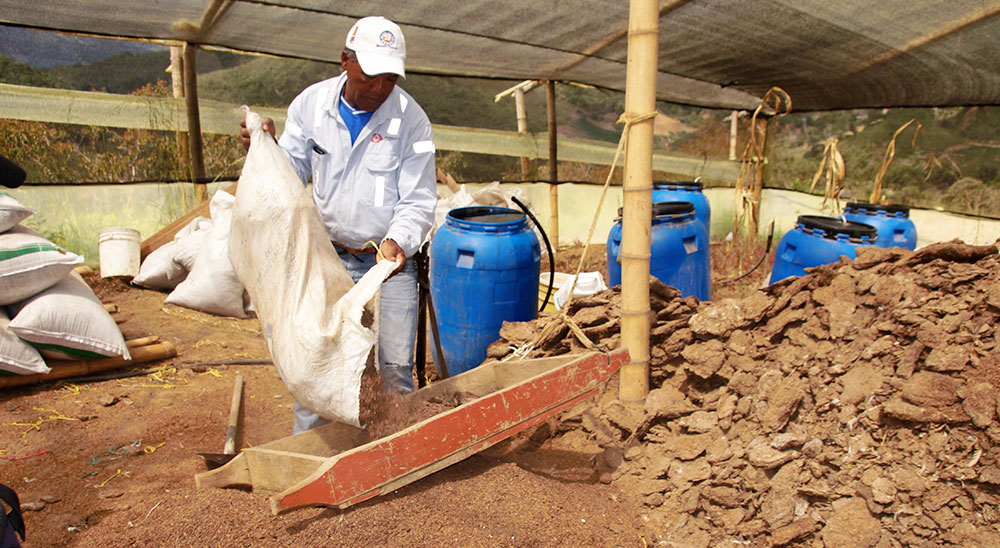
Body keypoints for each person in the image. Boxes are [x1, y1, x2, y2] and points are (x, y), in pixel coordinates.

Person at [240, 16, 437, 433]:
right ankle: (310, 460)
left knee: (395, 370)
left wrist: (397, 242)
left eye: (389, 78)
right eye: (370, 76)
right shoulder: (310, 106)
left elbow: (418, 199)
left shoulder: (412, 120)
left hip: (389, 266)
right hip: (327, 260)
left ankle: (393, 464)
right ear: (345, 61)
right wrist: (268, 148)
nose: (380, 89)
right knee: (316, 365)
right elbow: (289, 177)